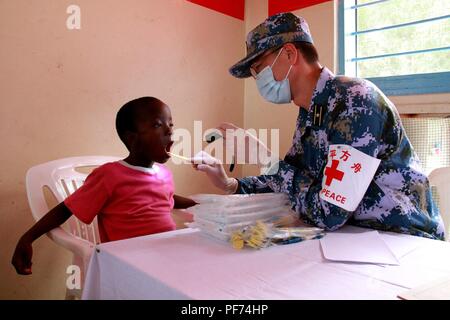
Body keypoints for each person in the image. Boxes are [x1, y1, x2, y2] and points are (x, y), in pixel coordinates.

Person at [193, 12, 445, 240]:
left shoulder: (355, 101)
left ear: (290, 54)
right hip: (356, 238)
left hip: (405, 241)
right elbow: (294, 180)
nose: (258, 80)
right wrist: (232, 185)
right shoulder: (311, 111)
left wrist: (265, 157)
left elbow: (329, 212)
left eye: (259, 68)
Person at [12, 96, 196, 275]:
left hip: (166, 256)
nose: (169, 131)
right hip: (127, 264)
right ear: (132, 138)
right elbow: (67, 208)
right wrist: (27, 239)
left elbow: (168, 199)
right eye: (157, 125)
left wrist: (205, 203)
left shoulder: (164, 174)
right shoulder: (110, 176)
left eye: (170, 124)